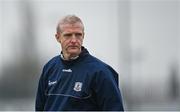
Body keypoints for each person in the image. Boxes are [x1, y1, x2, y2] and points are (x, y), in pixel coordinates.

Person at [35, 15, 124, 111]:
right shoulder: (49, 68)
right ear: (58, 37)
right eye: (68, 35)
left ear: (83, 36)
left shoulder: (101, 72)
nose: (74, 40)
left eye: (78, 35)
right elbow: (40, 108)